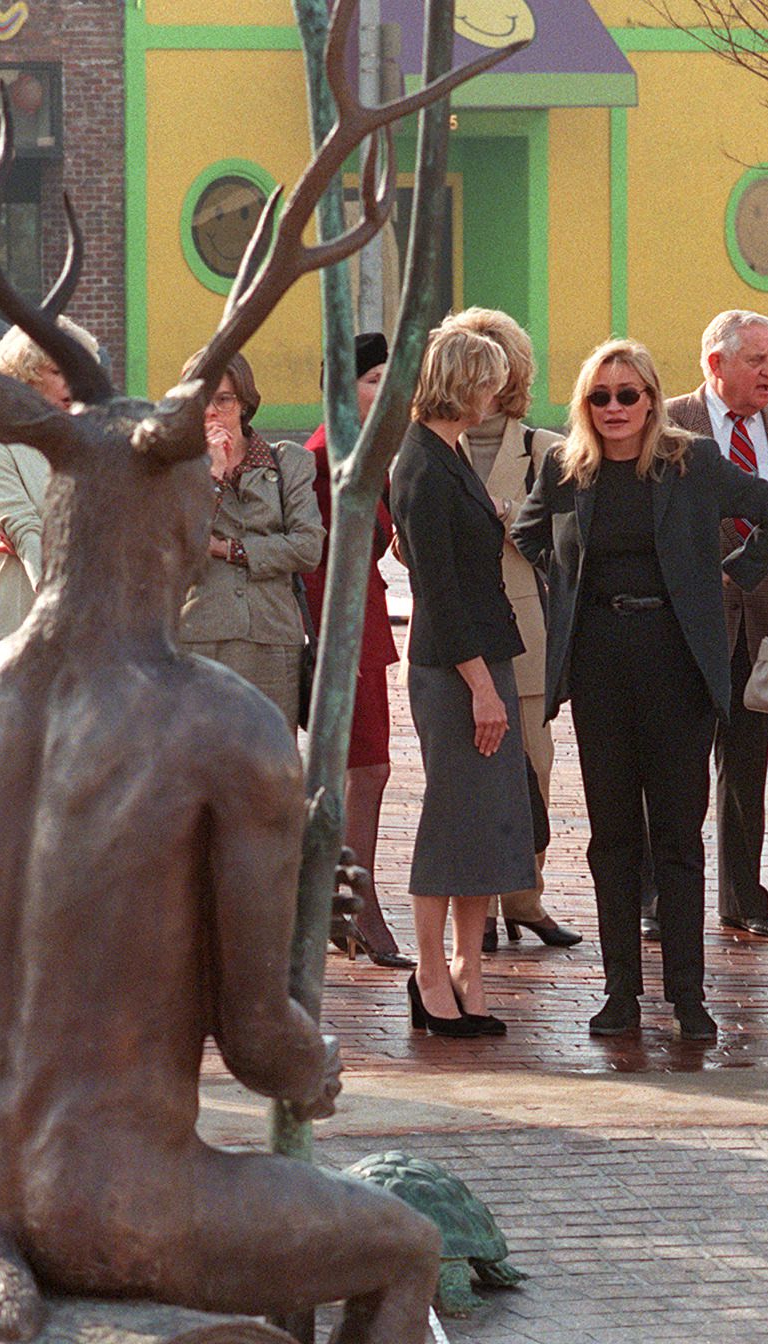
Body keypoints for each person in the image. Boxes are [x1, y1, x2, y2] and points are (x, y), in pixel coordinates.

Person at [514, 340, 768, 1044]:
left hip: (677, 665)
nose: (614, 408)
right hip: (598, 668)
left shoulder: (690, 461)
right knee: (612, 839)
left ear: (649, 397)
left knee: (677, 837)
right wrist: (569, 597)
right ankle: (620, 995)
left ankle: (687, 996)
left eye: (627, 394)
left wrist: (727, 576)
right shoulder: (565, 469)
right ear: (585, 405)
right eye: (599, 396)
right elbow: (526, 534)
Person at [390, 322, 535, 1038]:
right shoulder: (420, 460)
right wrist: (481, 687)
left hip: (480, 657)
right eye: (485, 381)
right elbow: (440, 595)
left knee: (487, 825)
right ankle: (428, 974)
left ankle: (467, 970)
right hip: (456, 668)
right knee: (451, 822)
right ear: (458, 382)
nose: (493, 395)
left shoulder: (441, 453)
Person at [661, 310, 768, 941]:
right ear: (715, 363)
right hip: (685, 629)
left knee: (747, 768)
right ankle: (658, 898)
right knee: (675, 767)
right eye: (757, 361)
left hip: (761, 626)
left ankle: (744, 899)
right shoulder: (668, 424)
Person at [446, 309, 582, 952]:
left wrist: (510, 526)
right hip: (452, 635)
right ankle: (475, 910)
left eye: (494, 364)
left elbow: (567, 547)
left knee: (531, 769)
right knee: (464, 777)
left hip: (526, 629)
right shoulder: (430, 446)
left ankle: (524, 897)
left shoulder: (544, 451)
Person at [303, 331, 411, 968]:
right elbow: (315, 559)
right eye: (374, 381)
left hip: (359, 621)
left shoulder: (370, 453)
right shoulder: (325, 459)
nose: (387, 393)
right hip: (338, 628)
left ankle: (342, 902)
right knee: (363, 771)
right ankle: (353, 905)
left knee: (364, 770)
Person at [175, 349, 324, 724]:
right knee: (201, 764)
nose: (211, 411)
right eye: (200, 400)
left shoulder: (288, 461)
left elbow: (308, 548)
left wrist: (229, 549)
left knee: (271, 764)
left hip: (273, 638)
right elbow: (178, 547)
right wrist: (211, 477)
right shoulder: (173, 468)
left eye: (223, 400)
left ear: (244, 404)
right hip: (200, 634)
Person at [0, 317, 101, 651]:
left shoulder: (95, 441)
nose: (71, 381)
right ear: (27, 373)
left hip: (88, 621)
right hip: (14, 622)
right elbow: (24, 528)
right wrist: (58, 601)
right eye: (57, 372)